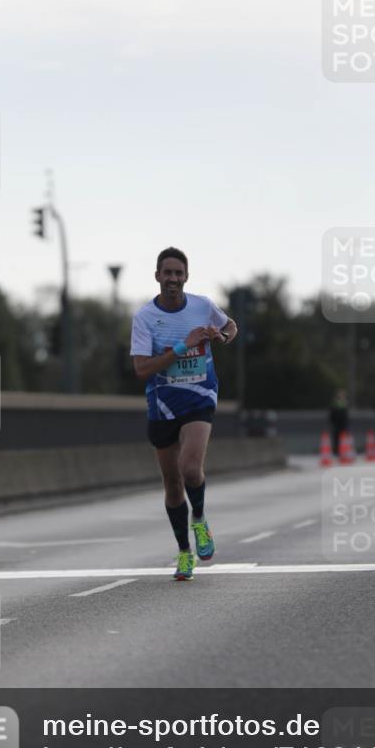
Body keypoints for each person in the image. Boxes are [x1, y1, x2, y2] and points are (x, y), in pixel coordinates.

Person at [130, 247, 237, 581]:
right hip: (162, 403)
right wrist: (180, 347)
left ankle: (200, 520)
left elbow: (231, 325)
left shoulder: (203, 306)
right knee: (173, 486)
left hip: (200, 397)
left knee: (191, 468)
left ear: (186, 277)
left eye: (179, 273)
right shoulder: (145, 317)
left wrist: (222, 336)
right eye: (168, 273)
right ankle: (183, 552)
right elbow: (142, 369)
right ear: (157, 276)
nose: (173, 279)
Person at [329, 388, 349, 459]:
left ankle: (344, 451)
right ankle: (336, 452)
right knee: (336, 438)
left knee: (343, 438)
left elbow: (346, 415)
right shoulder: (335, 403)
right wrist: (332, 423)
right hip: (336, 424)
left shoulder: (345, 403)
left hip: (343, 424)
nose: (341, 395)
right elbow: (331, 414)